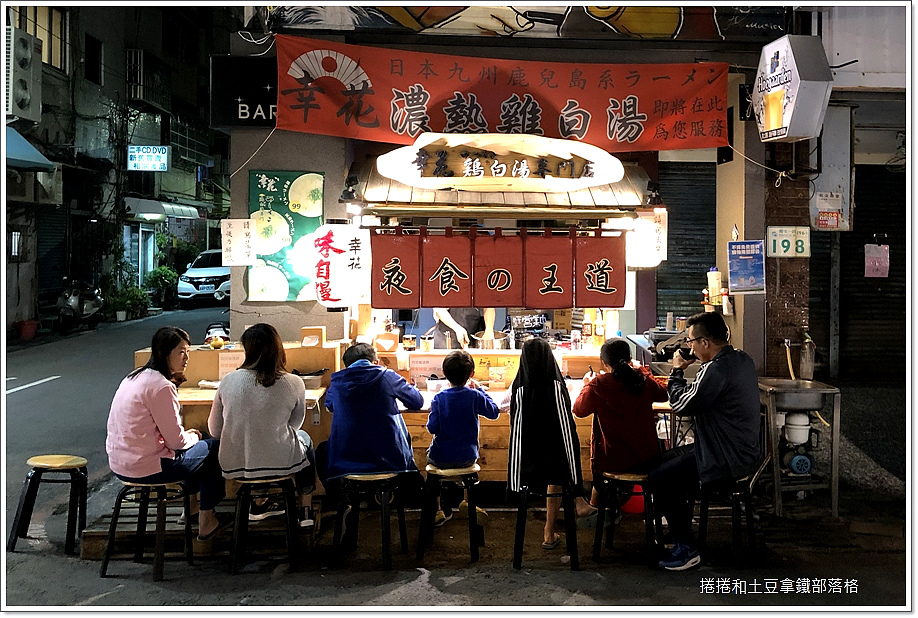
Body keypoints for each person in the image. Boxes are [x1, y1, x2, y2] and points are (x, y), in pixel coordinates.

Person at [647, 311, 761, 571]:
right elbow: (701, 394)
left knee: (660, 478)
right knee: (662, 461)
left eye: (691, 342)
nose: (690, 347)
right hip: (736, 450)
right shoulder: (741, 359)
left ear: (705, 342)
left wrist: (676, 371)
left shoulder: (717, 369)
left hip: (725, 458)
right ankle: (680, 530)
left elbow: (682, 405)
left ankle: (686, 548)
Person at [106, 326, 227, 541]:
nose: (186, 358)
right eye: (181, 352)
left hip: (120, 464)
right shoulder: (161, 386)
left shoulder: (133, 377)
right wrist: (194, 437)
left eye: (187, 352)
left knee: (199, 445)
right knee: (213, 447)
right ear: (164, 353)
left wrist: (190, 437)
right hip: (148, 467)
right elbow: (177, 443)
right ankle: (207, 520)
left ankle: (191, 509)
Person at [208, 323, 316, 527]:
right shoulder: (294, 382)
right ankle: (305, 509)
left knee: (255, 444)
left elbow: (215, 430)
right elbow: (295, 425)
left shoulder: (228, 381)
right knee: (304, 439)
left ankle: (258, 504)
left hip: (235, 465)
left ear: (247, 350)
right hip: (281, 462)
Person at [505, 337, 596, 550]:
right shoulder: (555, 385)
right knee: (560, 459)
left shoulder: (518, 387)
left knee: (555, 462)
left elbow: (506, 411)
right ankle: (576, 504)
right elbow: (567, 429)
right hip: (555, 465)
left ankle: (550, 532)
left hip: (527, 468)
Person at [317, 343, 425, 506]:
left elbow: (330, 406)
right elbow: (416, 402)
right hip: (390, 459)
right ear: (376, 362)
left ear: (347, 366)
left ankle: (341, 502)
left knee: (321, 451)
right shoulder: (387, 376)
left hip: (346, 460)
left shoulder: (337, 382)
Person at [573, 337, 669, 506]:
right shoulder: (642, 380)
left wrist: (586, 385)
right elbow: (663, 393)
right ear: (630, 359)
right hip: (646, 460)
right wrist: (642, 370)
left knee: (599, 482)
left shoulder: (599, 385)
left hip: (613, 462)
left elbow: (578, 410)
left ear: (604, 363)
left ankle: (600, 510)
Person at [425, 350, 500, 526]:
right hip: (467, 458)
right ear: (471, 374)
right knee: (469, 474)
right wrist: (480, 389)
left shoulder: (439, 398)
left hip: (440, 458)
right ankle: (467, 502)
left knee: (431, 466)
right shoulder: (474, 396)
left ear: (444, 373)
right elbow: (494, 412)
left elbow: (432, 428)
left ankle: (438, 510)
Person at [432, 307, 496, 349]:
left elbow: (489, 306)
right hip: (447, 339)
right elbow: (439, 309)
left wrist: (489, 330)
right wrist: (457, 328)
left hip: (473, 338)